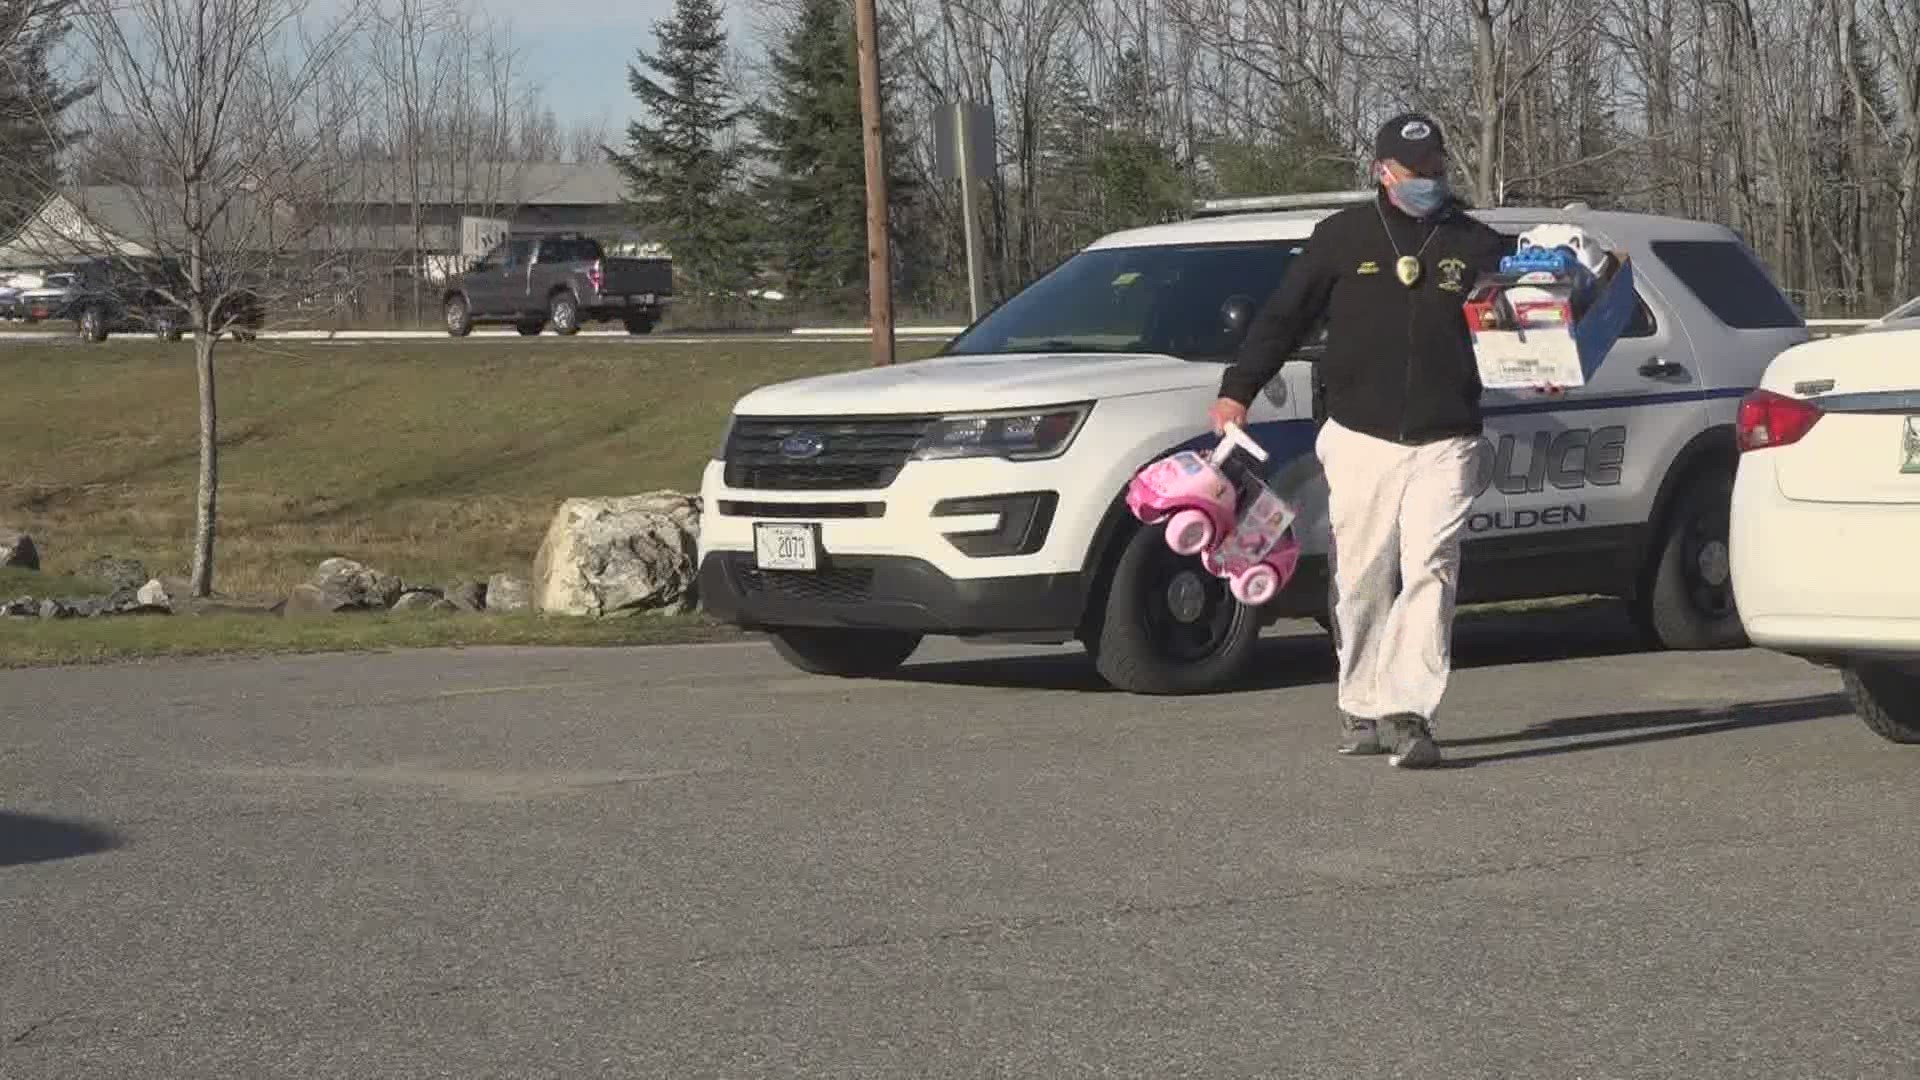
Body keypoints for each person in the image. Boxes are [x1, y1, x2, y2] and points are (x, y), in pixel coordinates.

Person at [1208, 112, 1509, 769]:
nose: (1428, 179)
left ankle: (1410, 713)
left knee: (1432, 565)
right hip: (1360, 435)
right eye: (1414, 171)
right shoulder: (1341, 238)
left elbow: (1525, 325)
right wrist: (1239, 389)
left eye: (1435, 168)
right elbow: (1282, 318)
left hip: (1447, 437)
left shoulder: (1477, 244)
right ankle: (1364, 699)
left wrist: (1551, 347)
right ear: (1381, 172)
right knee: (1365, 572)